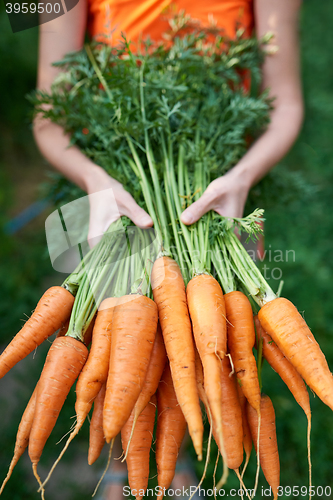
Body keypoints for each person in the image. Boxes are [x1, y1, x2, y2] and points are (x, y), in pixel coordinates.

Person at [33, 0, 303, 497]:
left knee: (209, 350)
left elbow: (287, 103)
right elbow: (48, 119)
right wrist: (95, 179)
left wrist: (242, 177)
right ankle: (123, 461)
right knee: (125, 346)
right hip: (115, 184)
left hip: (216, 194)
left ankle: (185, 460)